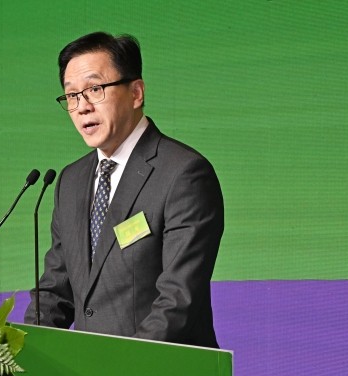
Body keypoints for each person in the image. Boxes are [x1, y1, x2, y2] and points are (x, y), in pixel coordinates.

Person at [24, 32, 224, 348]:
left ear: (136, 93)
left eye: (94, 89)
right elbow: (55, 292)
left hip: (160, 371)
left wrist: (121, 365)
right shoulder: (70, 181)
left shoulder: (183, 174)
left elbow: (178, 298)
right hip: (89, 373)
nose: (82, 107)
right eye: (72, 95)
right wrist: (24, 352)